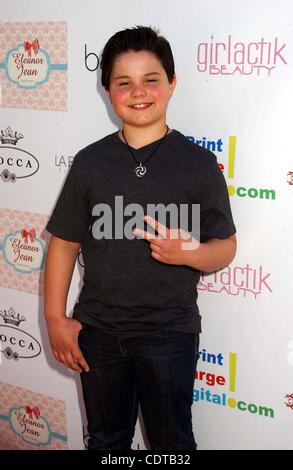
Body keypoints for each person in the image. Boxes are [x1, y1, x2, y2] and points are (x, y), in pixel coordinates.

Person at [44, 25, 237, 451]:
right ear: (107, 91)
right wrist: (55, 319)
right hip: (99, 331)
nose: (138, 92)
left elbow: (225, 246)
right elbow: (63, 243)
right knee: (107, 440)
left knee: (172, 443)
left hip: (170, 332)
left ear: (171, 83)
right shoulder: (90, 163)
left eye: (151, 80)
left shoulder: (199, 164)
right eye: (123, 83)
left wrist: (191, 253)